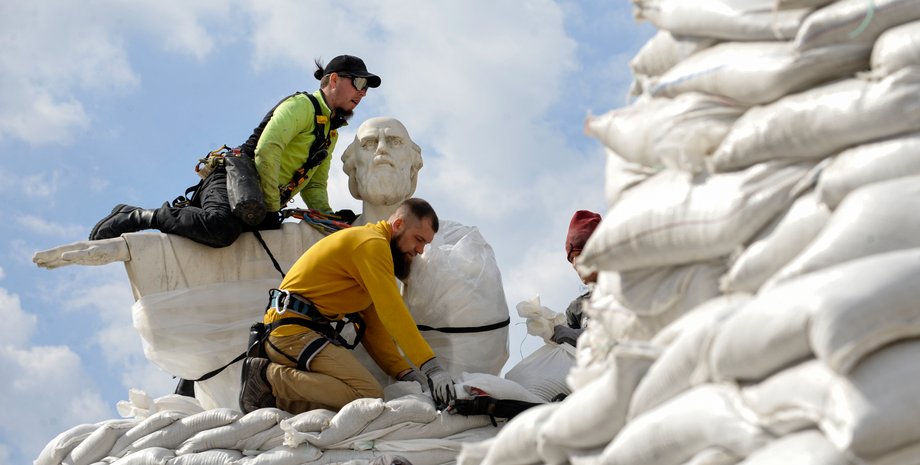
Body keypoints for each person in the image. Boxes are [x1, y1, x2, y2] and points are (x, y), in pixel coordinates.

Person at [88, 54, 380, 247]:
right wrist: (272, 208)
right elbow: (268, 150)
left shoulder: (329, 133)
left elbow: (314, 184)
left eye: (366, 88)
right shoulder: (302, 106)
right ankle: (136, 216)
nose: (362, 92)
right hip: (232, 181)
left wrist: (329, 220)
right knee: (220, 229)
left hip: (257, 199)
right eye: (358, 83)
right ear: (333, 80)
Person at [239, 198, 457, 414]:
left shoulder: (373, 254)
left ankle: (274, 400)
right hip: (292, 333)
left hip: (300, 334)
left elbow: (374, 330)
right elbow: (394, 313)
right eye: (418, 239)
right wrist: (432, 368)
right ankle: (266, 377)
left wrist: (404, 373)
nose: (420, 250)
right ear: (398, 224)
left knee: (358, 402)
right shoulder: (372, 244)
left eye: (425, 244)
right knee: (368, 394)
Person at [341, 117, 423, 225]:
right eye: (369, 143)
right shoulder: (319, 238)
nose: (382, 148)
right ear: (354, 168)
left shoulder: (446, 239)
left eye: (396, 142)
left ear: (413, 168)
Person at [550, 210, 602, 347]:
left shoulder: (630, 287)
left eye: (578, 255)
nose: (574, 264)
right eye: (571, 259)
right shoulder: (576, 309)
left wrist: (578, 336)